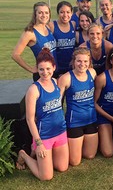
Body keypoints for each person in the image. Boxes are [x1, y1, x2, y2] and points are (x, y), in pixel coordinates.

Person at [15, 48, 69, 180]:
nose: (45, 73)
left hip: (61, 131)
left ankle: (44, 158)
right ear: (37, 69)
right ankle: (24, 155)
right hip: (44, 136)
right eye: (41, 69)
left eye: (48, 69)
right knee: (46, 176)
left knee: (62, 167)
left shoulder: (56, 82)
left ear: (54, 67)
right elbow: (29, 119)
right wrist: (38, 143)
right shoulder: (34, 89)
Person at [58, 48, 98, 166]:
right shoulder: (66, 78)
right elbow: (58, 102)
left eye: (85, 61)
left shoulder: (92, 73)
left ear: (89, 62)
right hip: (74, 122)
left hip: (91, 120)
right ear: (73, 62)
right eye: (79, 61)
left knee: (90, 155)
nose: (82, 64)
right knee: (75, 162)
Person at [12, 2, 56, 81]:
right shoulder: (30, 33)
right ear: (35, 14)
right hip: (42, 74)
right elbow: (15, 55)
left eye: (46, 13)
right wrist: (31, 69)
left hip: (52, 71)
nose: (44, 15)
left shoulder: (48, 27)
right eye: (40, 13)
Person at [48, 1, 76, 77]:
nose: (65, 15)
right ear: (58, 13)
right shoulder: (52, 25)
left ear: (71, 13)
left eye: (68, 12)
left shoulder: (73, 24)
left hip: (71, 67)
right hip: (56, 68)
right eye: (62, 12)